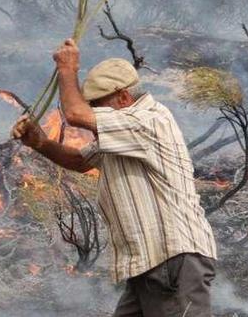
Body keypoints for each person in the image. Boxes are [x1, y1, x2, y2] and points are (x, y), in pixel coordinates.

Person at [12, 39, 217, 317]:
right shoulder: (123, 131)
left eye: (98, 105)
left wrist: (67, 68)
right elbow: (79, 161)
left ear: (123, 97)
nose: (94, 115)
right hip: (151, 261)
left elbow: (74, 114)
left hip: (173, 259)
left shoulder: (148, 120)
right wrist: (40, 143)